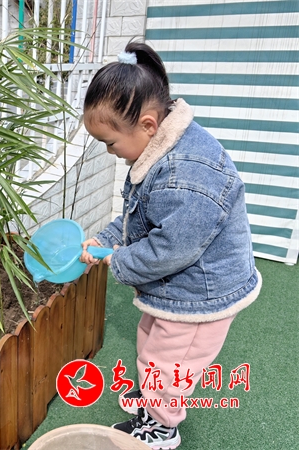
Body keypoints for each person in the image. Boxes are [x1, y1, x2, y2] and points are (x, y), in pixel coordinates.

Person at [80, 41, 261, 449]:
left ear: (147, 124)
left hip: (201, 294)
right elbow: (140, 215)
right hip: (180, 285)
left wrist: (120, 260)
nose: (110, 153)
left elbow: (171, 248)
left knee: (168, 363)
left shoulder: (186, 173)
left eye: (110, 142)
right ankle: (153, 398)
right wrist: (107, 239)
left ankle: (161, 428)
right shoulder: (157, 149)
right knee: (150, 343)